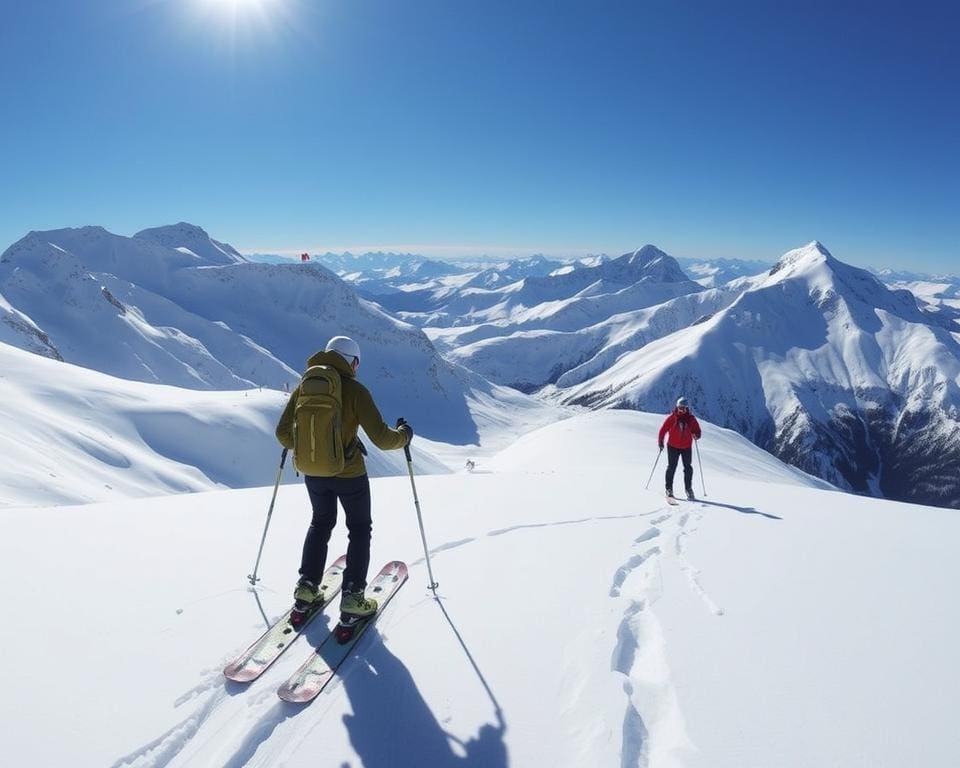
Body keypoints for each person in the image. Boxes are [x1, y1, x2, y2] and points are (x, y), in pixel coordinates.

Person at [275, 335, 412, 618]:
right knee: (360, 530)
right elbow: (383, 439)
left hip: (313, 473)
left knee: (320, 523)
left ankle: (306, 588)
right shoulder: (355, 391)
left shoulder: (303, 387)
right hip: (350, 474)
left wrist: (309, 447)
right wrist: (404, 435)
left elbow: (283, 434)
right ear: (353, 362)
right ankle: (352, 597)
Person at [657, 396, 702, 500]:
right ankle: (669, 489)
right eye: (681, 407)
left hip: (686, 447)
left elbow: (698, 431)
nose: (682, 410)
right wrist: (660, 442)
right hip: (672, 446)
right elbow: (663, 430)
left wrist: (697, 435)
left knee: (688, 468)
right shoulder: (672, 418)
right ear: (677, 407)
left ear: (687, 408)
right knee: (671, 467)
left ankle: (688, 489)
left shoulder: (691, 419)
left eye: (684, 408)